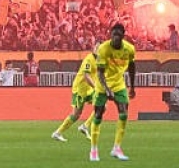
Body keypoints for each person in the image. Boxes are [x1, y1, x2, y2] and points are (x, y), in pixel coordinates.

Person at [89, 23, 136, 162]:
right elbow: (100, 73)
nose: (115, 37)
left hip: (119, 84)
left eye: (118, 35)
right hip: (103, 84)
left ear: (123, 35)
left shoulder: (129, 49)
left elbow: (132, 66)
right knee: (98, 114)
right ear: (110, 35)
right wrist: (107, 90)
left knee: (124, 113)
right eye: (113, 34)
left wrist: (132, 87)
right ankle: (93, 150)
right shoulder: (103, 48)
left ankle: (116, 148)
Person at [52, 45, 97, 142]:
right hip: (80, 90)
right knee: (76, 114)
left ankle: (85, 126)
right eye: (97, 48)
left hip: (90, 89)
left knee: (102, 105)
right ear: (93, 49)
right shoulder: (89, 59)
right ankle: (57, 133)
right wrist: (96, 87)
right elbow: (86, 76)